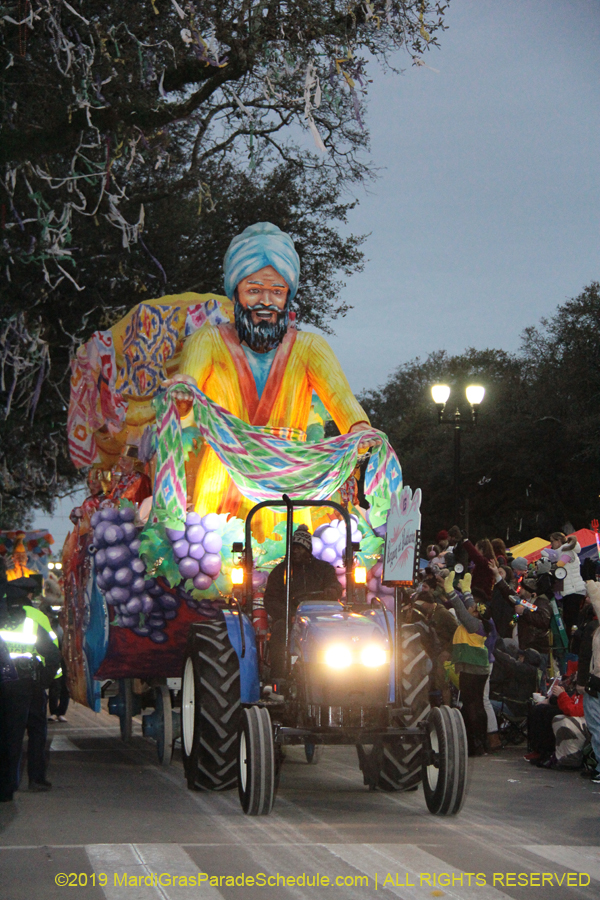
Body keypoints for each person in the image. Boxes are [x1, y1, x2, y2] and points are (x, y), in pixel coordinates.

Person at [176, 222, 375, 540]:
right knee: (211, 561)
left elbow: (341, 399)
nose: (265, 301)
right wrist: (182, 399)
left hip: (287, 473)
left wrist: (359, 428)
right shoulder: (207, 341)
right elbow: (186, 392)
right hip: (224, 467)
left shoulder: (310, 347)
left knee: (292, 559)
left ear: (287, 296)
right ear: (236, 292)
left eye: (277, 291)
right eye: (254, 290)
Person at [0, 576, 61, 801]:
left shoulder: (2, 614)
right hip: (30, 683)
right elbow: (53, 651)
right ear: (29, 595)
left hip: (6, 683)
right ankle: (36, 778)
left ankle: (7, 785)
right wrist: (48, 682)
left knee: (8, 734)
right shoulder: (36, 617)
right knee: (36, 732)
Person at [264, 525, 342, 680]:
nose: (295, 551)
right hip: (290, 617)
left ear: (308, 549)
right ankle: (279, 678)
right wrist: (289, 615)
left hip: (320, 616)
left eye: (299, 548)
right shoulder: (281, 572)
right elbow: (271, 599)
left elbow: (335, 586)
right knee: (280, 630)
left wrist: (332, 591)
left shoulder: (323, 569)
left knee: (339, 631)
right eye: (293, 548)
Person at [444, 570, 492, 756]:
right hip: (479, 668)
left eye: (474, 608)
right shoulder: (480, 622)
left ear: (476, 614)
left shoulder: (472, 624)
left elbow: (460, 608)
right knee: (478, 704)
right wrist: (466, 590)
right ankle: (482, 741)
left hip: (470, 668)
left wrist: (449, 590)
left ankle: (474, 744)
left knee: (470, 704)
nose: (472, 607)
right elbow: (469, 606)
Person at [576, 580, 600, 783]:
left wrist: (591, 585)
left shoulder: (593, 627)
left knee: (597, 727)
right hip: (595, 680)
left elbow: (584, 656)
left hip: (595, 682)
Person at [515, 578, 552, 691]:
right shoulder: (528, 602)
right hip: (528, 647)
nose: (520, 590)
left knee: (538, 682)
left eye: (523, 588)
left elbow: (543, 621)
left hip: (538, 648)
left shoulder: (541, 603)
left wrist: (524, 612)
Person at [550, 532, 586, 639]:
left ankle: (573, 645)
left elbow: (560, 565)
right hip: (570, 590)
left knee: (571, 620)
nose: (551, 544)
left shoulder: (567, 551)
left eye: (552, 541)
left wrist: (550, 568)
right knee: (569, 619)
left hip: (573, 590)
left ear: (558, 541)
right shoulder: (563, 551)